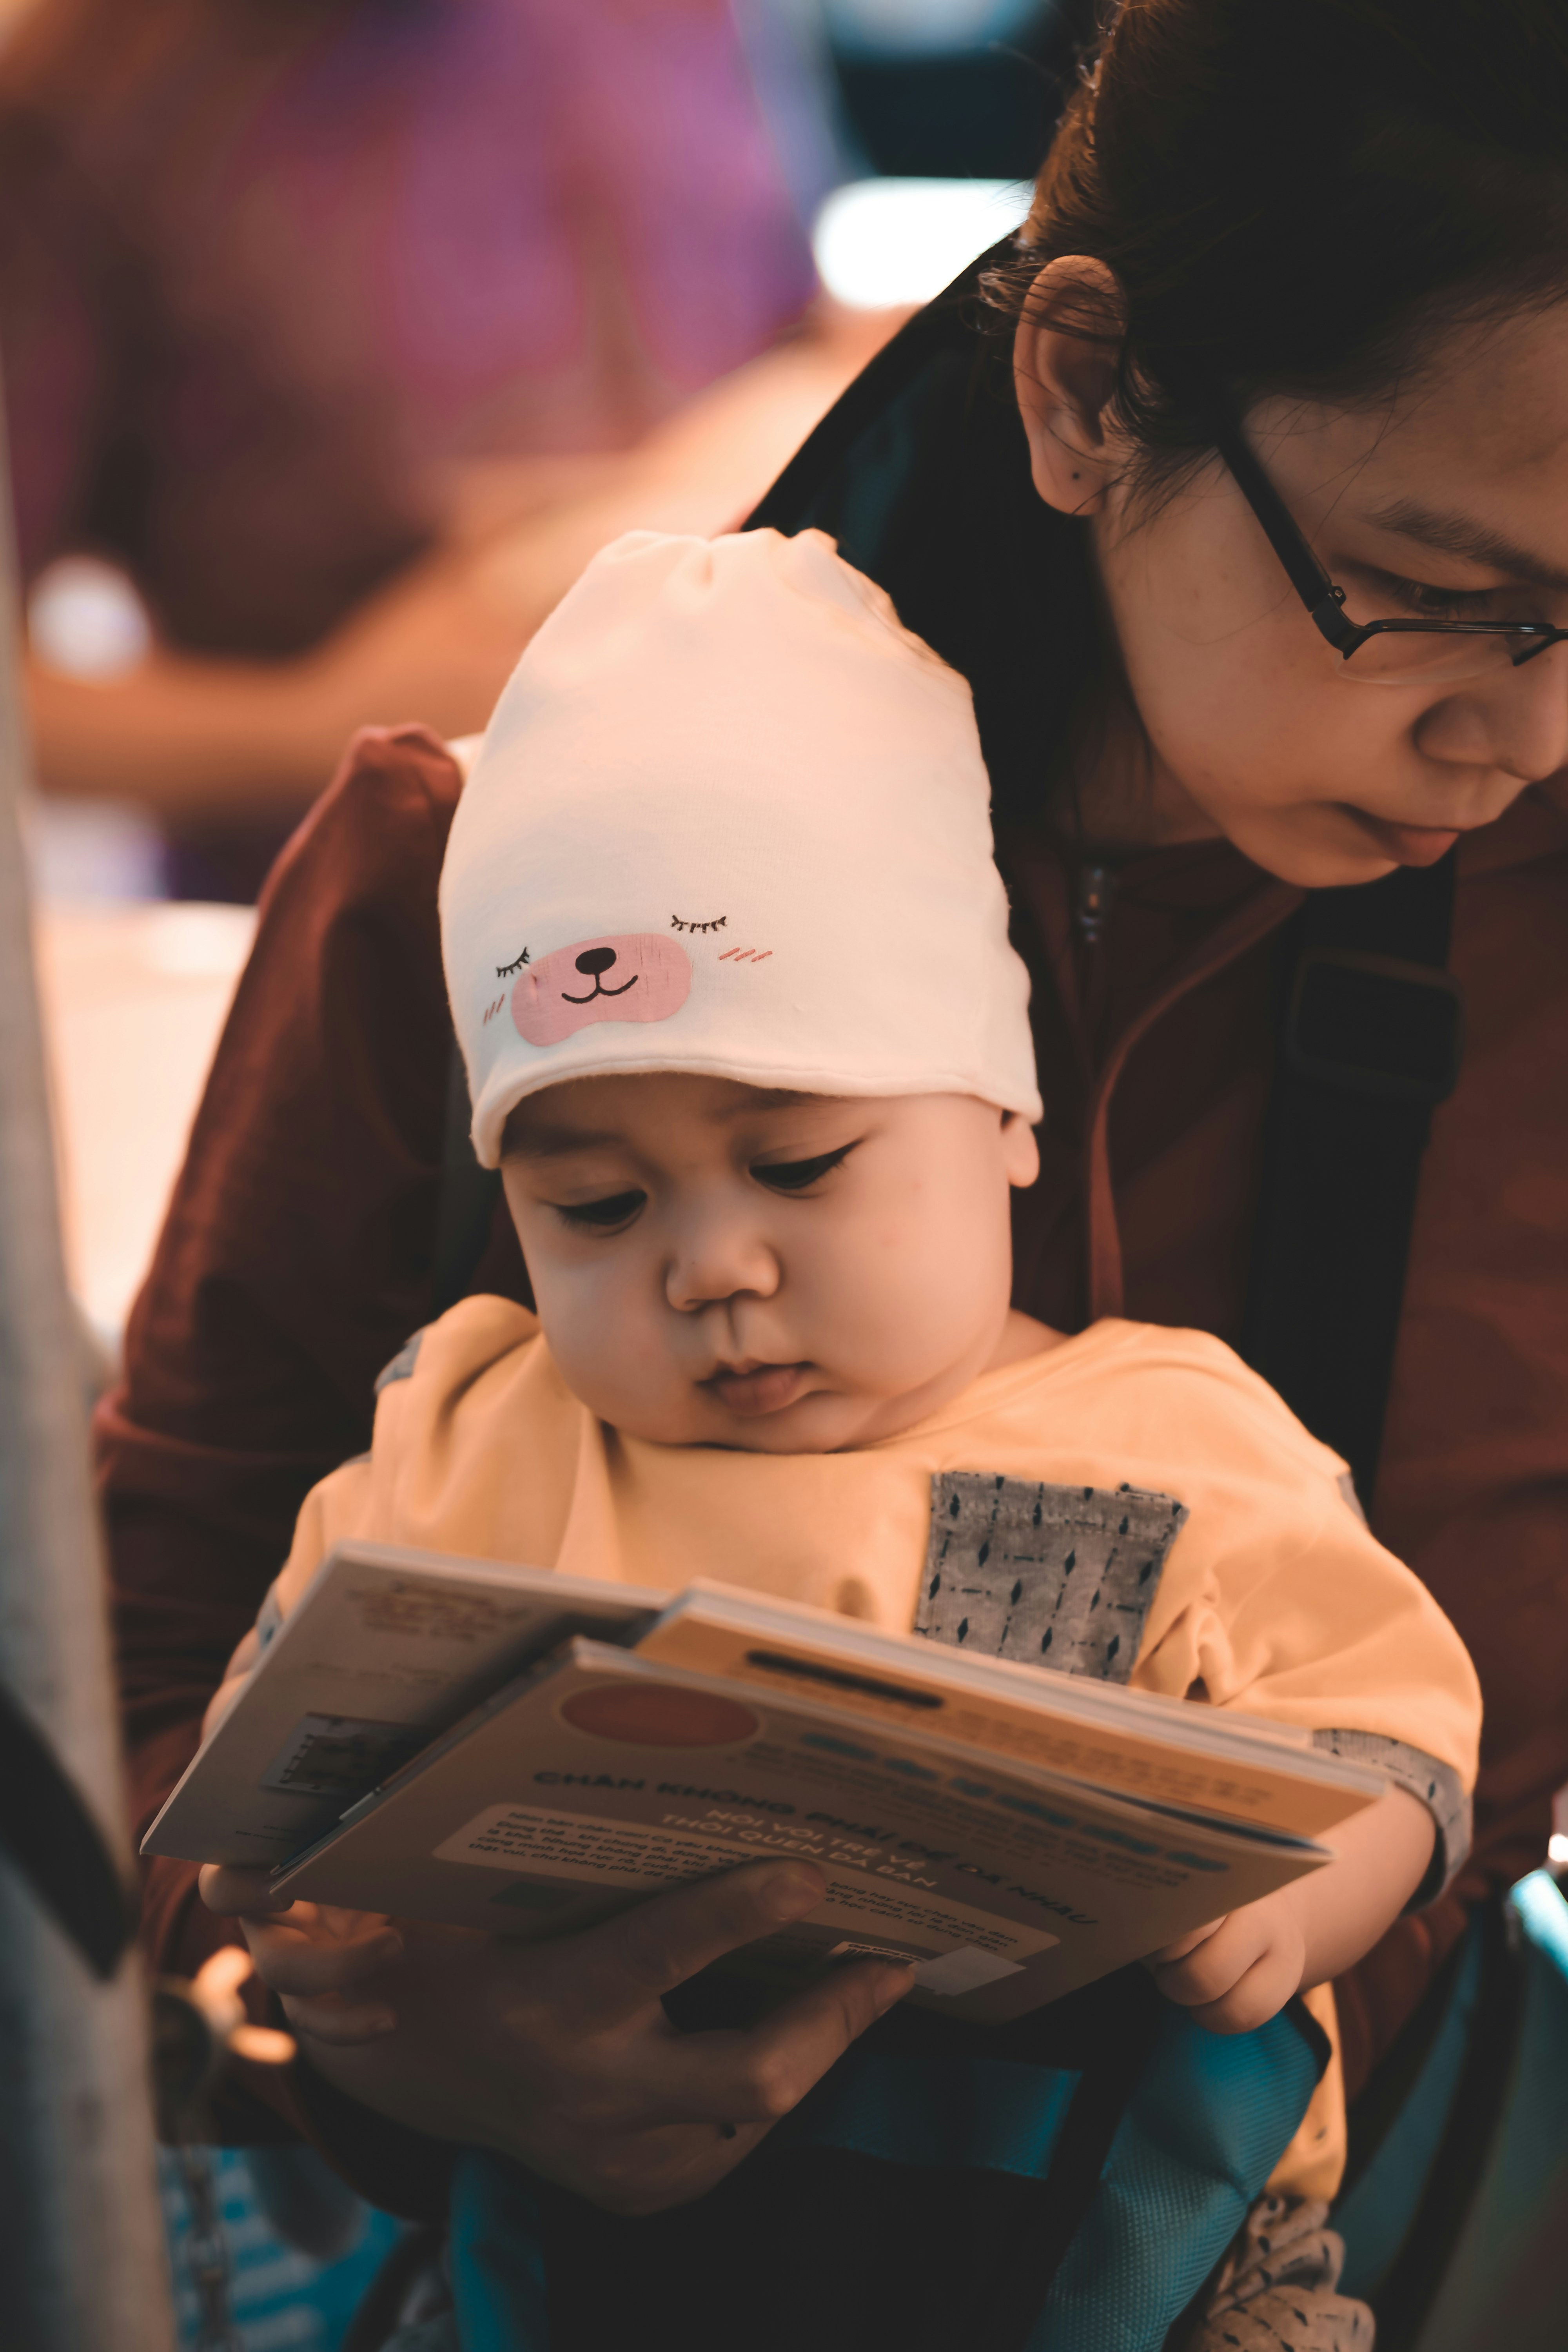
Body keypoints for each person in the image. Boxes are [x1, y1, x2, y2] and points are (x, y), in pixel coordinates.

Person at [105, 0, 1568, 2327]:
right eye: (1436, 584)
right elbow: (140, 1685)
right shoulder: (489, 890)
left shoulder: (1532, 936)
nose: (1523, 729)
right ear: (1088, 392)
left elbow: (1471, 1726)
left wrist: (1132, 2170)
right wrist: (395, 2050)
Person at [201, 525, 1477, 2347]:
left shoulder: (1164, 1429)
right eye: (594, 1206)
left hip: (1131, 2236)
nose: (711, 1265)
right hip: (592, 2240)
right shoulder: (483, 1432)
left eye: (799, 1163)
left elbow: (1399, 1725)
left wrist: (1317, 1892)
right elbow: (281, 1772)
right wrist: (304, 1928)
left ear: (1002, 1112)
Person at [0, 0, 836, 895]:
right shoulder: (90, 99)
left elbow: (796, 331)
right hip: (370, 936)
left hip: (761, 869)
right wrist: (310, 729)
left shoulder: (692, 19)